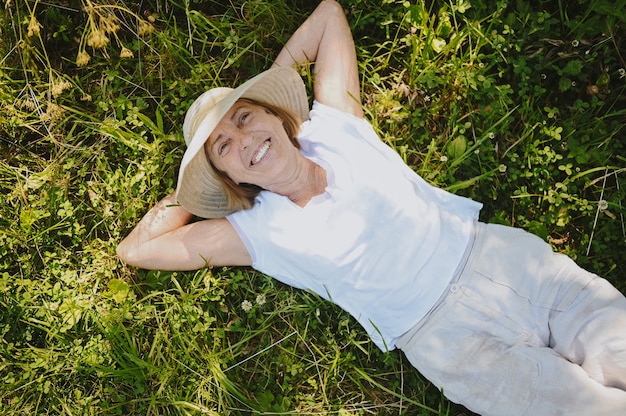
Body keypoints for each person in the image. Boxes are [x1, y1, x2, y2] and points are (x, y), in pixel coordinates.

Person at [116, 1, 626, 414]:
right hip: (447, 339)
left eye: (245, 117)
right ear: (230, 178)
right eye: (224, 146)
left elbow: (328, 15)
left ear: (273, 113)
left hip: (499, 259)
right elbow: (138, 249)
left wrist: (273, 90)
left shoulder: (336, 124)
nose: (244, 139)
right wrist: (191, 189)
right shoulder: (254, 231)